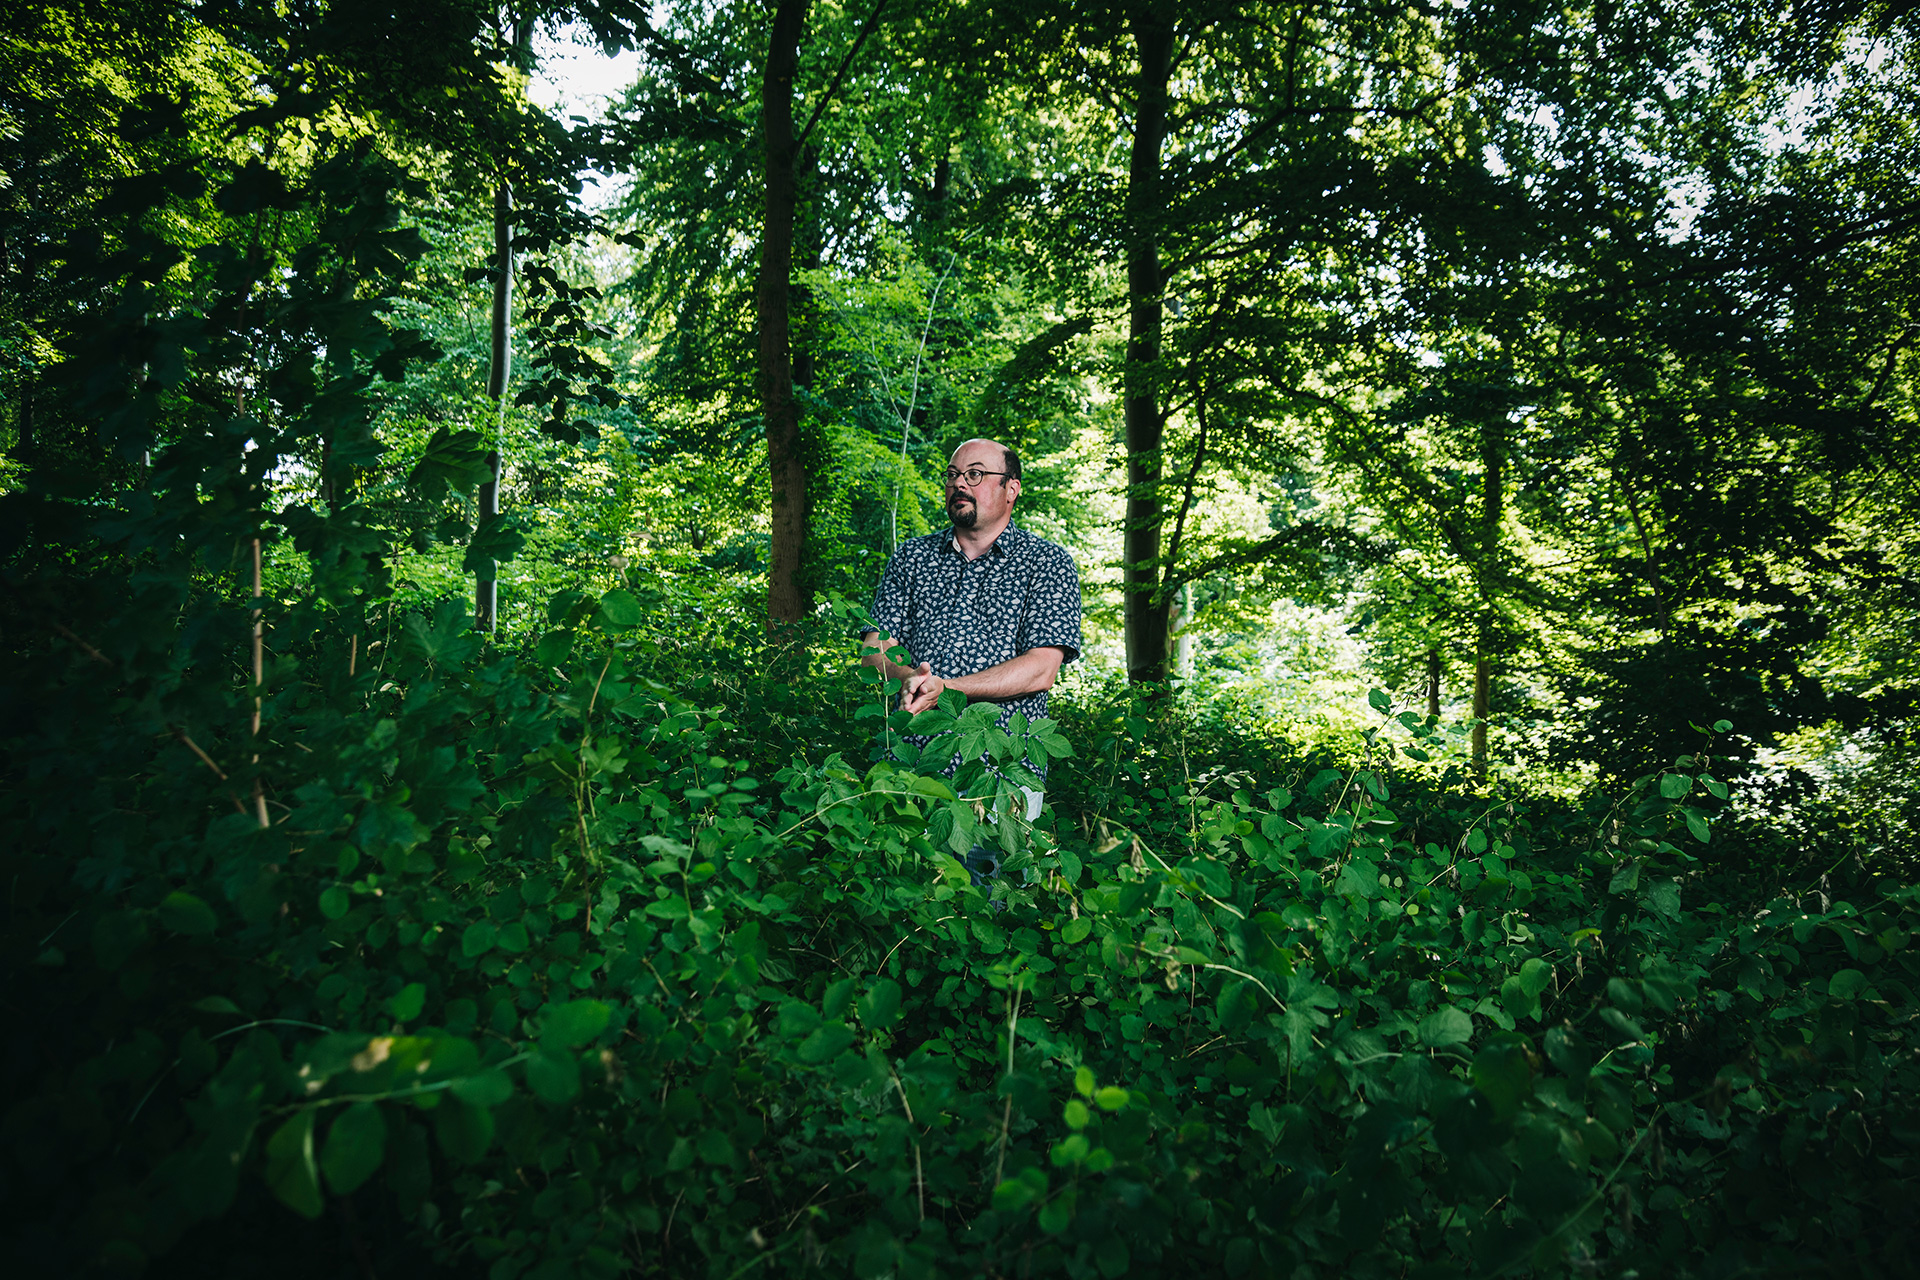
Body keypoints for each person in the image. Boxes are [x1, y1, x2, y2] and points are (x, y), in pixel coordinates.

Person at [859, 437, 1084, 883]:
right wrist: (909, 679)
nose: (961, 484)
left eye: (976, 475)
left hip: (999, 775)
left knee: (991, 906)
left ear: (1011, 489)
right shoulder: (912, 557)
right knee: (906, 905)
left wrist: (948, 688)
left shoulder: (1047, 563)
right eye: (954, 475)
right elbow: (874, 648)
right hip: (910, 767)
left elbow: (1042, 667)